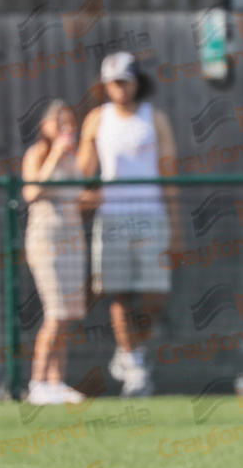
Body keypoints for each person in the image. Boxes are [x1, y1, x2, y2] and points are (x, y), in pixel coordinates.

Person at [77, 52, 181, 397]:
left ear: (137, 81)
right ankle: (134, 363)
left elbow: (169, 175)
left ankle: (130, 349)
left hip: (152, 216)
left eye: (124, 80)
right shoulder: (96, 120)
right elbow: (82, 174)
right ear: (105, 85)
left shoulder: (156, 119)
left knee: (155, 294)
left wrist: (176, 224)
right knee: (118, 292)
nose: (119, 88)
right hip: (112, 219)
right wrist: (85, 196)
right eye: (112, 82)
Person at [21, 100, 88, 405]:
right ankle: (37, 383)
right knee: (55, 312)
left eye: (69, 122)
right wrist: (56, 156)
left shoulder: (73, 159)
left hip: (73, 238)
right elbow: (31, 192)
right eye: (58, 122)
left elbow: (78, 195)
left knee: (68, 316)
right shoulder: (37, 154)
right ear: (45, 126)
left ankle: (56, 382)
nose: (65, 128)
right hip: (46, 241)